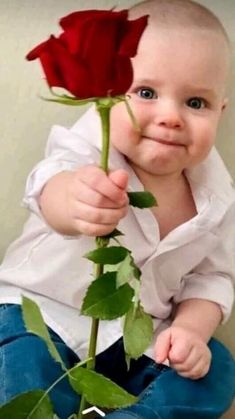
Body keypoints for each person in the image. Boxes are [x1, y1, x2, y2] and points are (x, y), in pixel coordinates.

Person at [0, 0, 235, 418]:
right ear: (112, 91)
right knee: (20, 367)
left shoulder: (218, 197)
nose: (170, 117)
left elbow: (212, 277)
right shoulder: (90, 148)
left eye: (195, 103)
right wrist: (73, 200)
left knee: (216, 373)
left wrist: (190, 331)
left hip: (137, 341)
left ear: (221, 109)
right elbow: (47, 186)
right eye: (146, 93)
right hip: (43, 318)